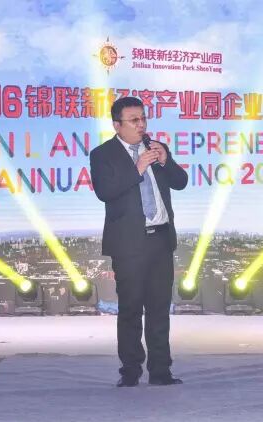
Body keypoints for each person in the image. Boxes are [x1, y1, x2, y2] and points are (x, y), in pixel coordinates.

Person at [90, 97, 188, 387]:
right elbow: (105, 191)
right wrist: (137, 169)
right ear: (117, 125)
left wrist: (165, 160)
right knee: (131, 309)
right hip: (129, 244)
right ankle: (130, 371)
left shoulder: (156, 148)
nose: (141, 124)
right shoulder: (102, 154)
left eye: (143, 118)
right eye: (134, 120)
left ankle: (161, 371)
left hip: (160, 239)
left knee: (159, 309)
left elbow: (180, 182)